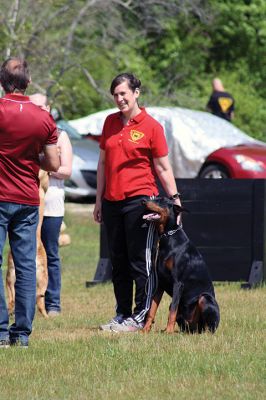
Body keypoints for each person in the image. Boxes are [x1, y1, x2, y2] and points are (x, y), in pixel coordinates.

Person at [93, 72, 181, 332]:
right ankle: (122, 314)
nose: (119, 99)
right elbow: (102, 164)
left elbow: (163, 168)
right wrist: (98, 200)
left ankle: (141, 316)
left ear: (136, 93)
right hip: (112, 202)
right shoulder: (109, 122)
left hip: (140, 202)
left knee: (139, 262)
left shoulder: (152, 126)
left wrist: (175, 199)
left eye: (124, 94)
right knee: (117, 261)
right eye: (116, 95)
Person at [0, 58, 60, 348]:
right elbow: (53, 162)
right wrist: (29, 157)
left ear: (2, 82)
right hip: (27, 198)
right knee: (25, 266)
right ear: (27, 82)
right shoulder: (43, 118)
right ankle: (21, 334)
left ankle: (0, 332)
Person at [30, 93, 73, 317]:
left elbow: (66, 170)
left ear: (48, 107)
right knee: (26, 254)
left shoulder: (60, 136)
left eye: (41, 106)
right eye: (33, 106)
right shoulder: (27, 133)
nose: (37, 109)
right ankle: (27, 300)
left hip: (52, 203)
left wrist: (45, 166)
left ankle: (53, 302)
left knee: (51, 253)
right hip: (28, 202)